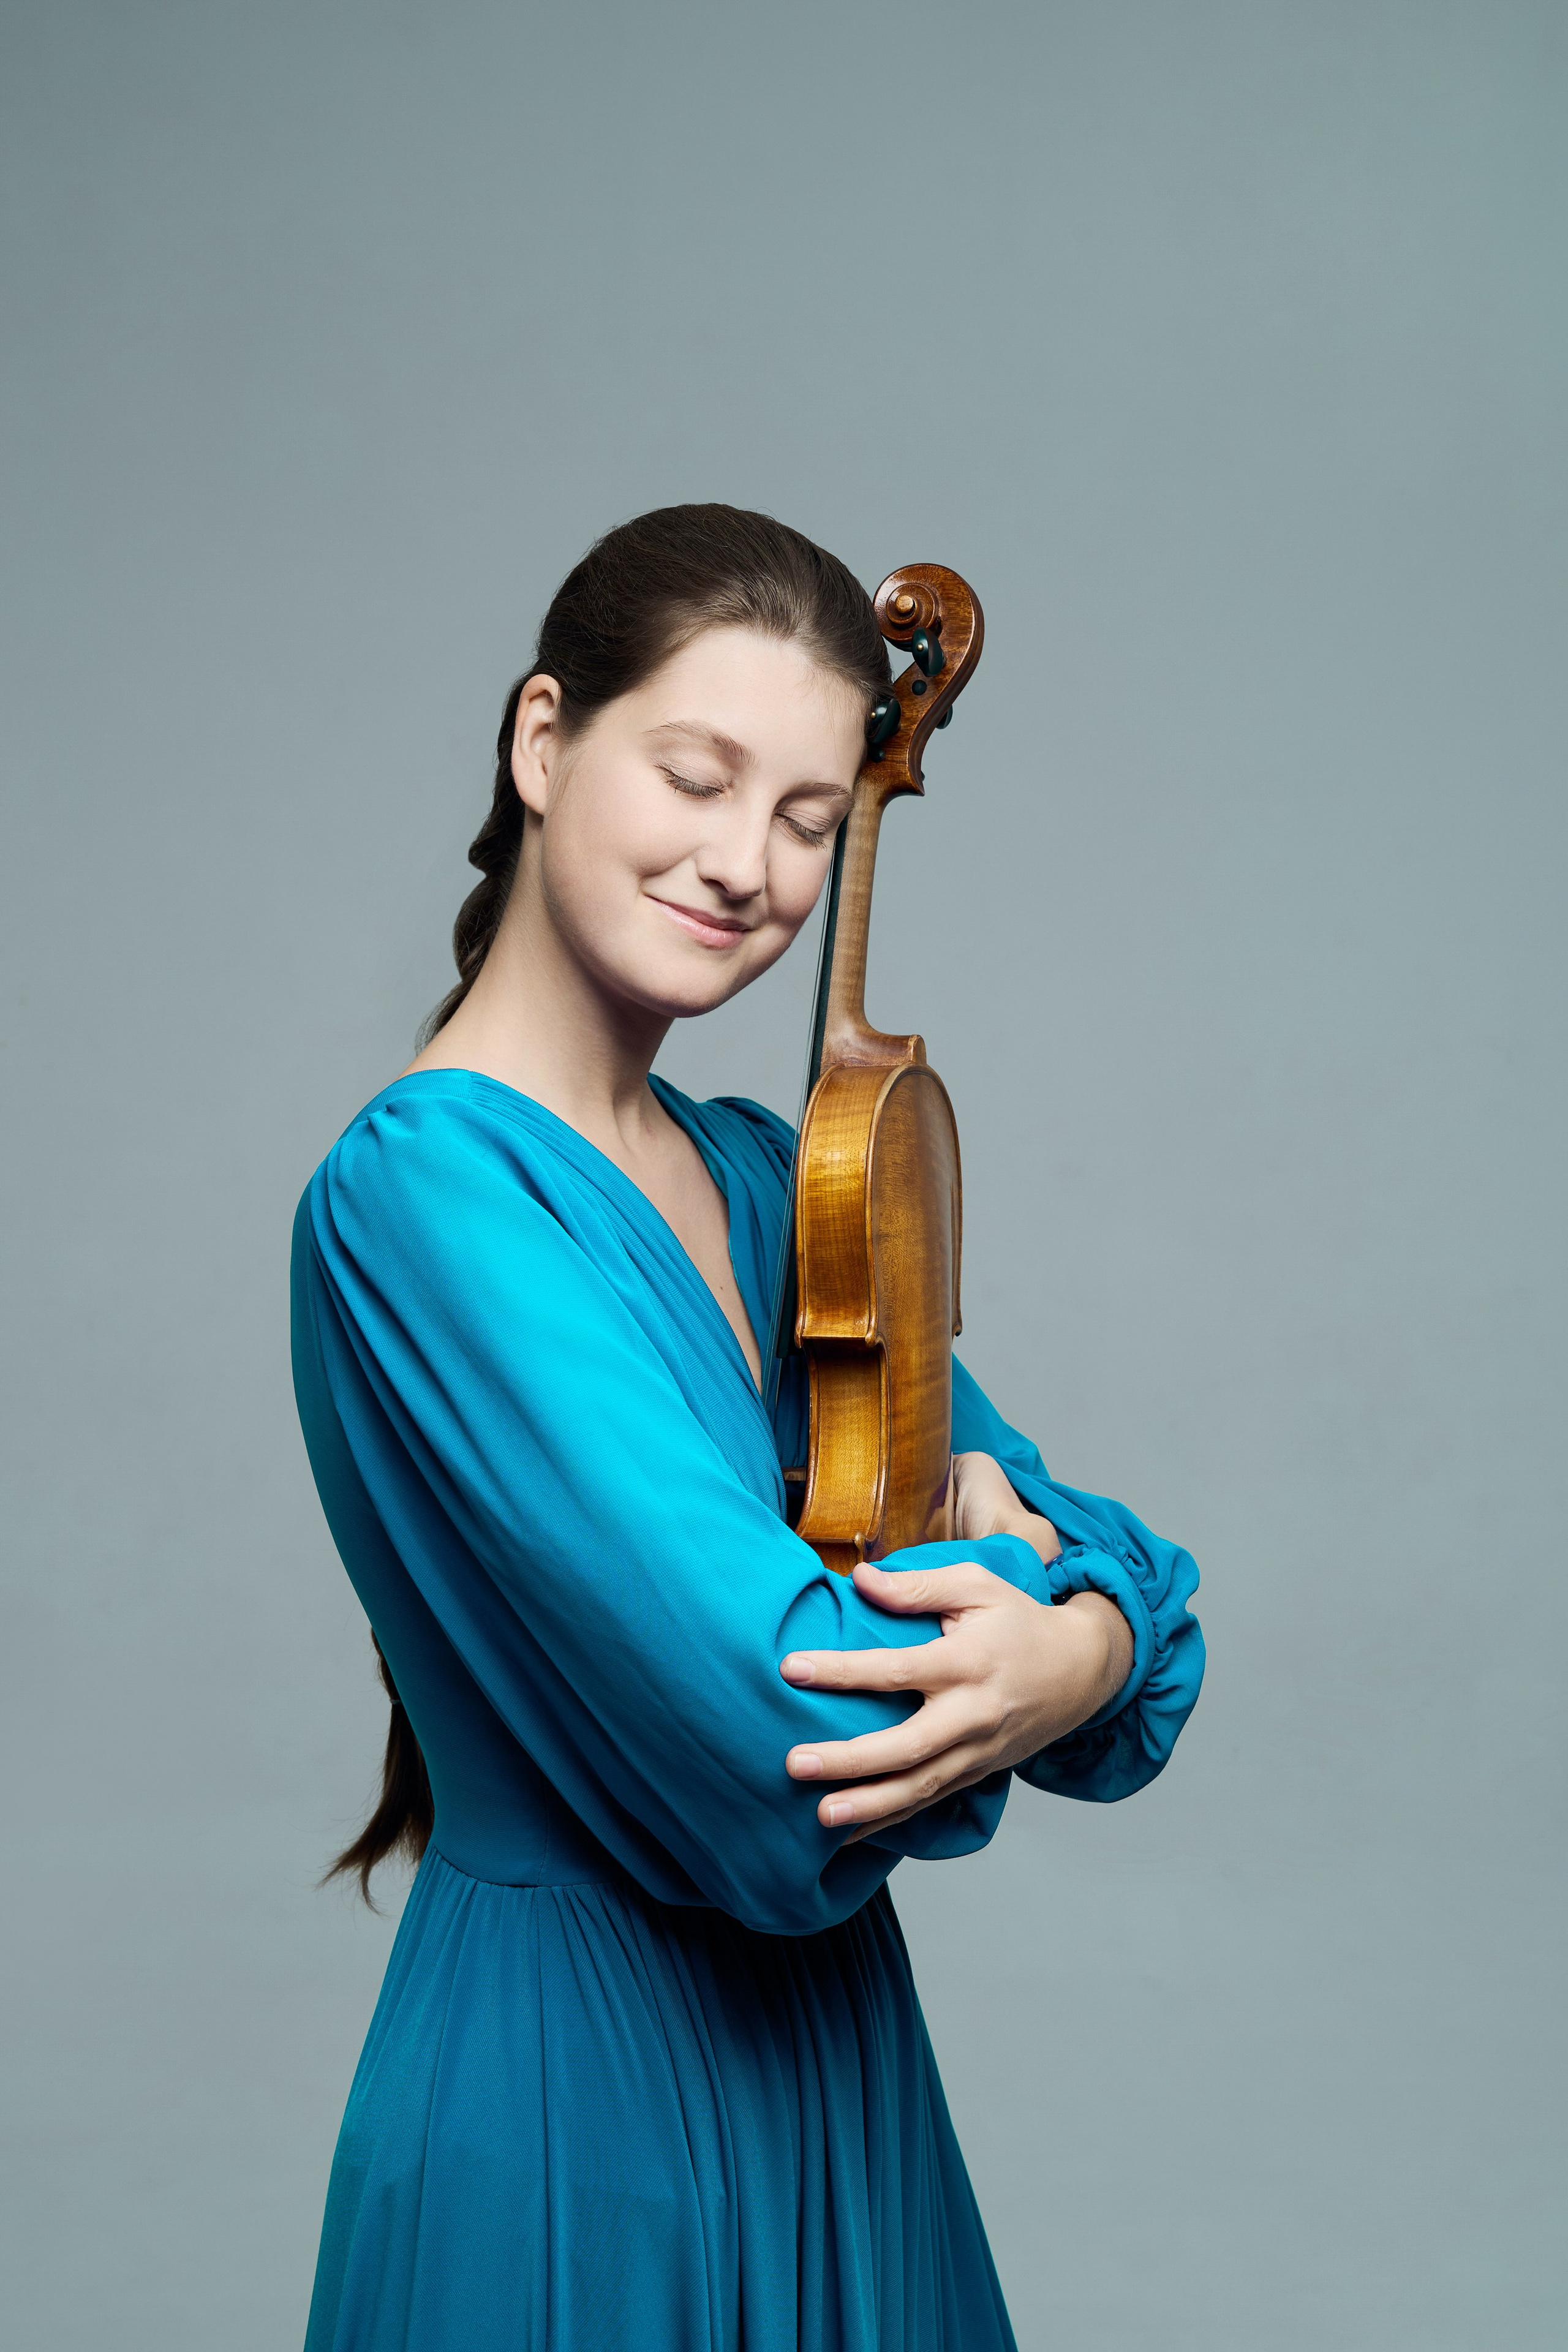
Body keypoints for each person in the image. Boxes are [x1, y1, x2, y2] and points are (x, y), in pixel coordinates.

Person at [291, 503, 1204, 2352]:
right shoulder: (428, 1195)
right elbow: (789, 1739)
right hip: (577, 2112)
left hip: (840, 2089)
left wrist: (1086, 1639)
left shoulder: (783, 1182)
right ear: (544, 741)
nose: (748, 868)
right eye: (695, 778)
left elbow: (1134, 1596)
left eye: (806, 819)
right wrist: (1020, 1632)